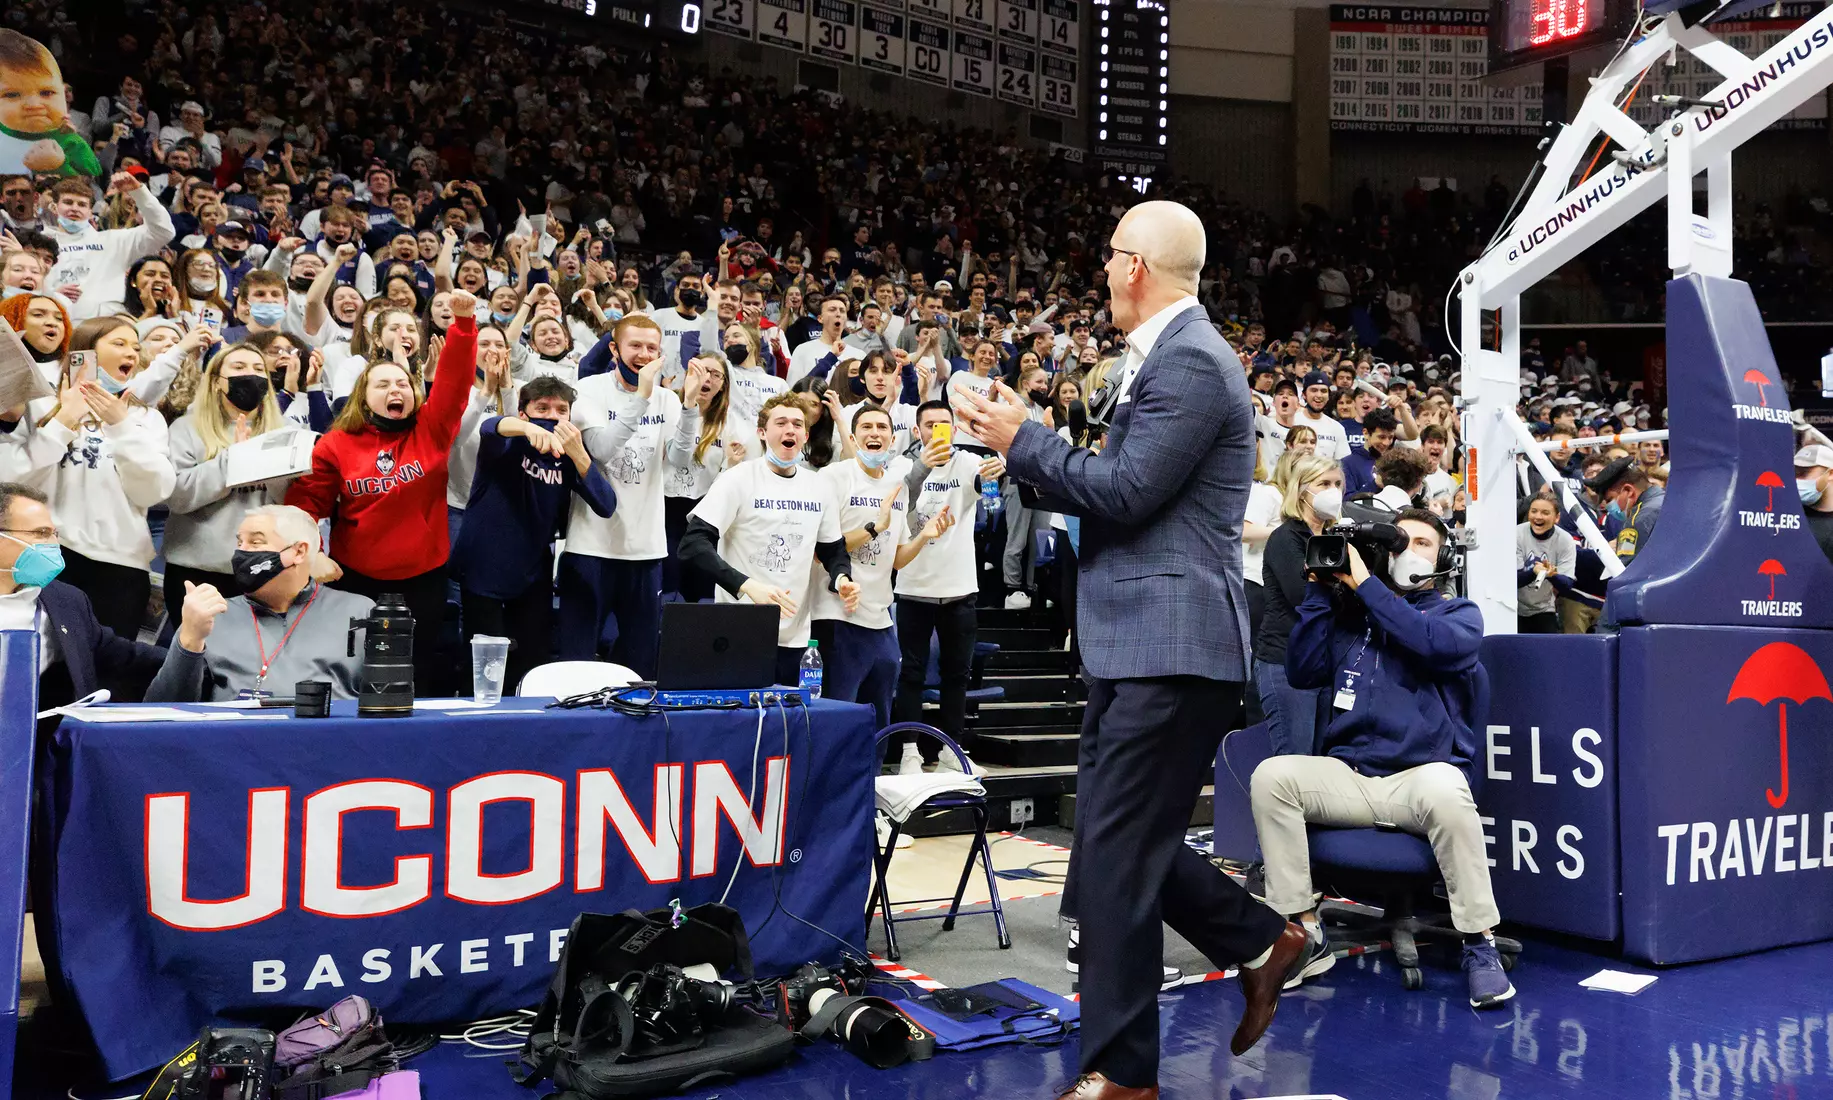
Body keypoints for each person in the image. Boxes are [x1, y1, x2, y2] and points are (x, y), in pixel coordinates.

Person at [952, 201, 1304, 1099]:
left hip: (1172, 643)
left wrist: (1021, 442)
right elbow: (1123, 480)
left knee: (1112, 852)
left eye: (1110, 257)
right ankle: (1260, 941)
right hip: (1140, 643)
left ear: (1135, 264)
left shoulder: (1189, 358)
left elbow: (1129, 488)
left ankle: (1122, 1074)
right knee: (1120, 846)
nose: (1103, 272)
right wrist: (1029, 433)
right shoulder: (1175, 357)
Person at [1251, 508, 1516, 1009]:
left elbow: (1429, 644)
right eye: (1401, 542)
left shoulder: (1457, 614)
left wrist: (1369, 587)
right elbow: (1303, 672)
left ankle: (1478, 944)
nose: (1409, 551)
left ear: (1445, 558)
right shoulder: (1352, 617)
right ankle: (1305, 935)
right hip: (1351, 778)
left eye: (1423, 542)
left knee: (1447, 791)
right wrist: (1317, 591)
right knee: (1273, 776)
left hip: (1419, 779)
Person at [286, 289, 478, 695]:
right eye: (383, 384)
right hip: (356, 578)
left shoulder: (432, 428)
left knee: (416, 672)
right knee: (357, 670)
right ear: (363, 396)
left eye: (403, 383)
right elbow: (304, 504)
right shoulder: (337, 443)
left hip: (423, 579)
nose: (396, 390)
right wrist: (312, 551)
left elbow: (454, 385)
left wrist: (463, 326)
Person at [0, 315, 175, 641]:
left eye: (136, 347)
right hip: (49, 556)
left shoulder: (146, 418)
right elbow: (15, 481)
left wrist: (121, 426)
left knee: (111, 671)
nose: (132, 354)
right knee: (50, 668)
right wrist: (65, 419)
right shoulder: (41, 405)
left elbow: (153, 491)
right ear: (86, 350)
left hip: (121, 563)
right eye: (119, 343)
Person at [679, 392, 861, 685]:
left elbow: (832, 549)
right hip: (738, 631)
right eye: (781, 423)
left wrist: (842, 579)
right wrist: (747, 586)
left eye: (797, 424)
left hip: (795, 637)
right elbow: (692, 546)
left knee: (788, 726)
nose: (790, 429)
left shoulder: (819, 486)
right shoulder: (738, 478)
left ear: (805, 435)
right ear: (762, 433)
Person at [452, 375, 617, 692]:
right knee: (485, 671)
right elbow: (491, 427)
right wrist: (526, 428)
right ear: (524, 412)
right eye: (543, 408)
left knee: (531, 663)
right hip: (484, 567)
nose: (553, 417)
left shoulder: (570, 456)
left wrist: (580, 455)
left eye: (561, 410)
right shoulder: (508, 441)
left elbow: (606, 505)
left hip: (533, 571)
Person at [559, 315, 702, 679]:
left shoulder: (668, 399)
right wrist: (641, 397)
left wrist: (688, 407)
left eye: (651, 347)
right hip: (591, 547)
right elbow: (601, 451)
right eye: (635, 345)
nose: (643, 354)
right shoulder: (588, 390)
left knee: (640, 663)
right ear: (614, 349)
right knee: (576, 659)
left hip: (646, 550)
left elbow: (681, 459)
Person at [811, 405, 954, 727]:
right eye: (866, 427)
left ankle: (870, 777)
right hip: (836, 616)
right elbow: (823, 551)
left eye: (881, 427)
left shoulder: (897, 487)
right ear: (852, 436)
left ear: (892, 439)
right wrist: (874, 526)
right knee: (837, 718)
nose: (874, 433)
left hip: (881, 620)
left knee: (878, 718)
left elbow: (897, 558)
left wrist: (924, 536)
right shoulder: (834, 477)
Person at [145, 505, 374, 701]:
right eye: (239, 543)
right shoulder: (212, 616)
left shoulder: (358, 611)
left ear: (298, 552)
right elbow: (162, 711)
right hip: (236, 744)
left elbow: (390, 710)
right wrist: (190, 640)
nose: (241, 553)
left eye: (255, 542)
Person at [890, 400, 1002, 774]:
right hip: (913, 587)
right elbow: (902, 502)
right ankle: (908, 751)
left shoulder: (968, 462)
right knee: (912, 674)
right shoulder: (903, 466)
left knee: (958, 674)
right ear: (917, 430)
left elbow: (984, 491)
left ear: (954, 428)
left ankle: (952, 749)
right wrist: (925, 464)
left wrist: (995, 472)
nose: (938, 429)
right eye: (930, 424)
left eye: (944, 423)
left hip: (959, 589)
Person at [162, 341, 304, 628]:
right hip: (197, 570)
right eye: (238, 368)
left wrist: (265, 464)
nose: (249, 375)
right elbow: (177, 496)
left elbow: (295, 505)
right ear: (216, 382)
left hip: (265, 570)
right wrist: (233, 460)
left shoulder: (288, 433)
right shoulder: (186, 429)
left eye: (257, 368)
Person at [0, 481, 165, 708]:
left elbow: (121, 655)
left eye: (54, 534)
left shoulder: (63, 601)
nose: (53, 545)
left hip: (34, 735)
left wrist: (189, 648)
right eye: (40, 533)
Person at [1257, 453, 1340, 756]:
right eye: (1324, 484)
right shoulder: (1285, 538)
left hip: (1325, 662)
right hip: (1285, 662)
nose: (1334, 491)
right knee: (1295, 762)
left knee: (1322, 764)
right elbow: (1302, 597)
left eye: (1337, 484)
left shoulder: (1336, 538)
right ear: (1302, 490)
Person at [44, 173, 174, 320]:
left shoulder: (113, 240)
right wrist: (51, 294)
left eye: (82, 204)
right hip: (59, 324)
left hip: (109, 327)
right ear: (54, 208)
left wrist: (139, 192)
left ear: (90, 212)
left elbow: (163, 232)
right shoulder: (40, 245)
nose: (75, 209)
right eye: (68, 202)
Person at [1516, 492, 1576, 633]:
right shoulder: (1517, 533)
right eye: (1534, 511)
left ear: (1557, 517)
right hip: (1513, 606)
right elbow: (1512, 580)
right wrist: (1534, 572)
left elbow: (1567, 585)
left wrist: (1552, 575)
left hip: (1544, 608)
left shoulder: (1565, 540)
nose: (1538, 517)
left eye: (1545, 513)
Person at [1586, 456, 1661, 563]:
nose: (1608, 507)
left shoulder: (1637, 521)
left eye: (1609, 500)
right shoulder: (1668, 499)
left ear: (1628, 490)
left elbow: (1625, 571)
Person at [1798, 443, 1833, 564]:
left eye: (1804, 472)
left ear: (1830, 474)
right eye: (1794, 473)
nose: (1797, 480)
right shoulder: (1788, 516)